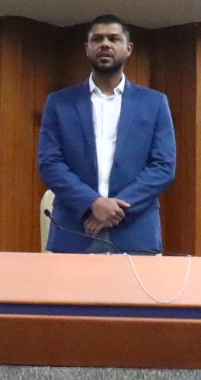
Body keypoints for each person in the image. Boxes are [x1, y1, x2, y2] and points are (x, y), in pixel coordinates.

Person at [37, 14, 177, 254]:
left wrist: (115, 209)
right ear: (87, 48)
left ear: (128, 48)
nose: (105, 44)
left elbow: (163, 166)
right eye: (97, 39)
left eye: (113, 39)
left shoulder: (154, 103)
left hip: (135, 231)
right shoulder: (60, 103)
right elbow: (50, 164)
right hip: (75, 230)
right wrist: (92, 203)